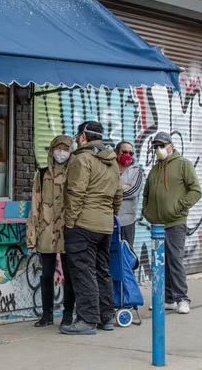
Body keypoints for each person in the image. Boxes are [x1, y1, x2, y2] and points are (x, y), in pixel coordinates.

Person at [60, 121, 123, 335]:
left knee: (83, 272)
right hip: (105, 225)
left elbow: (75, 193)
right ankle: (106, 317)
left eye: (78, 135)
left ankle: (87, 320)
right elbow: (118, 194)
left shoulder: (82, 158)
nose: (77, 139)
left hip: (83, 224)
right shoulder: (112, 161)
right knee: (102, 271)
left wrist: (70, 221)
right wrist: (109, 214)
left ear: (83, 137)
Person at [142, 131, 202, 315]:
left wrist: (179, 207)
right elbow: (146, 193)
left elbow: (195, 190)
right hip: (157, 225)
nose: (159, 149)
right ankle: (167, 299)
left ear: (171, 145)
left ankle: (182, 298)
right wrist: (147, 211)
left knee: (175, 260)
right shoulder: (155, 168)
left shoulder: (183, 164)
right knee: (160, 262)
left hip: (175, 222)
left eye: (162, 145)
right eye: (156, 146)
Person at [27, 135, 76, 328]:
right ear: (52, 149)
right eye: (58, 147)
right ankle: (47, 314)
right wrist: (32, 233)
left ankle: (68, 314)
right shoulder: (42, 174)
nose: (61, 151)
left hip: (68, 230)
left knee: (69, 275)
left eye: (66, 148)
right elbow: (35, 204)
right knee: (46, 274)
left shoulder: (74, 172)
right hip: (46, 231)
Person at [115, 141, 144, 247]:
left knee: (125, 256)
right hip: (108, 221)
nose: (128, 155)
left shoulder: (136, 171)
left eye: (130, 153)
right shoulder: (108, 169)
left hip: (127, 222)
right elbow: (102, 189)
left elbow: (134, 191)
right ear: (116, 153)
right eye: (124, 152)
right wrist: (123, 187)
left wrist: (113, 191)